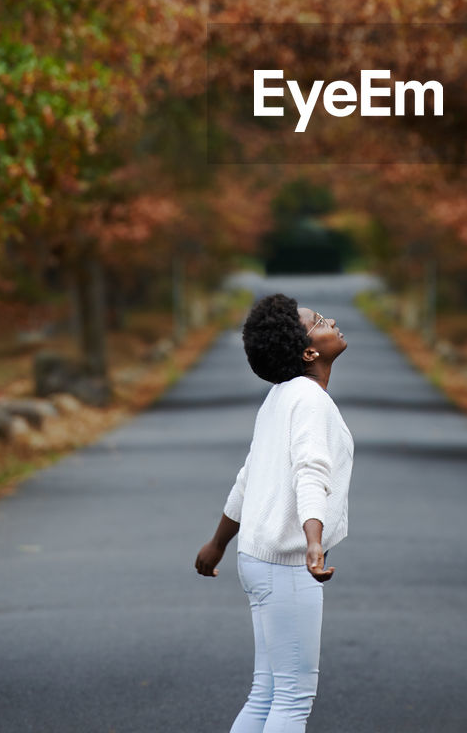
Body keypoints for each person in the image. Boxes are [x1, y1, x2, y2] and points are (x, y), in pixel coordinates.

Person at [195, 292, 353, 732]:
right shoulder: (309, 400)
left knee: (267, 692)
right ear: (308, 351)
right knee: (292, 699)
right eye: (319, 320)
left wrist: (218, 543)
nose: (332, 320)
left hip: (257, 559)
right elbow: (311, 472)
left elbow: (249, 478)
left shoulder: (282, 396)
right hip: (285, 565)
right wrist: (314, 540)